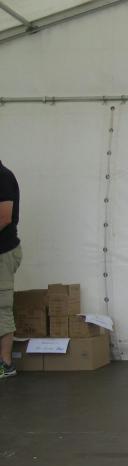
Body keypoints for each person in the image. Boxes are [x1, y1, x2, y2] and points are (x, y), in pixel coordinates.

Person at [0, 161, 21, 379]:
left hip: (3, 253)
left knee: (2, 306)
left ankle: (5, 364)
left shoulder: (3, 177)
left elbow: (4, 217)